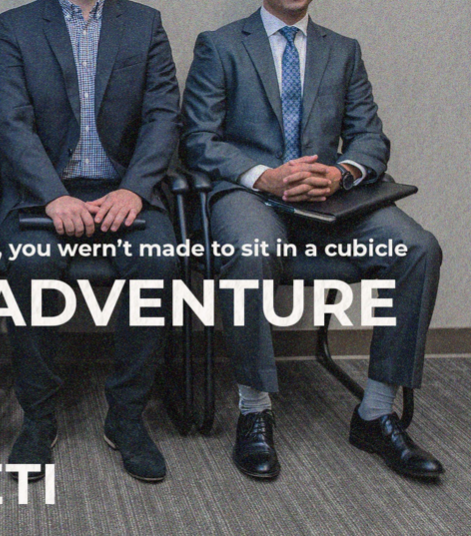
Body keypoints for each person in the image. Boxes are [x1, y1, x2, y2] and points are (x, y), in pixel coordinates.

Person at [181, 0, 443, 480]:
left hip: (329, 200)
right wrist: (265, 177)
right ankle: (254, 409)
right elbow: (197, 138)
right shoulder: (219, 46)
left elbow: (370, 138)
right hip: (250, 194)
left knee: (417, 247)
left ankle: (375, 413)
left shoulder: (343, 51)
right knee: (249, 250)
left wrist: (341, 173)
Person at [0, 0, 182, 482]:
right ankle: (38, 418)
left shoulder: (143, 22)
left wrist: (135, 189)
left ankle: (127, 416)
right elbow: (10, 121)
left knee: (157, 259)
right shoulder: (16, 26)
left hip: (122, 188)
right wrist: (54, 195)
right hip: (42, 192)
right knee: (31, 264)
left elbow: (163, 116)